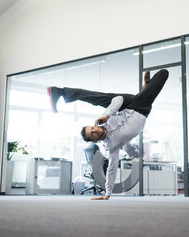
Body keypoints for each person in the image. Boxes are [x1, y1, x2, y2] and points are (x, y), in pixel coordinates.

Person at [47, 69, 169, 200]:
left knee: (97, 98)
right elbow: (112, 168)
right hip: (141, 108)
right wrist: (107, 193)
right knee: (163, 74)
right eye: (92, 133)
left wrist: (107, 114)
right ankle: (146, 88)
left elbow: (119, 99)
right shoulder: (111, 146)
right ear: (94, 141)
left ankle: (59, 92)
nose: (95, 130)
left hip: (127, 105)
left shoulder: (103, 119)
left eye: (92, 128)